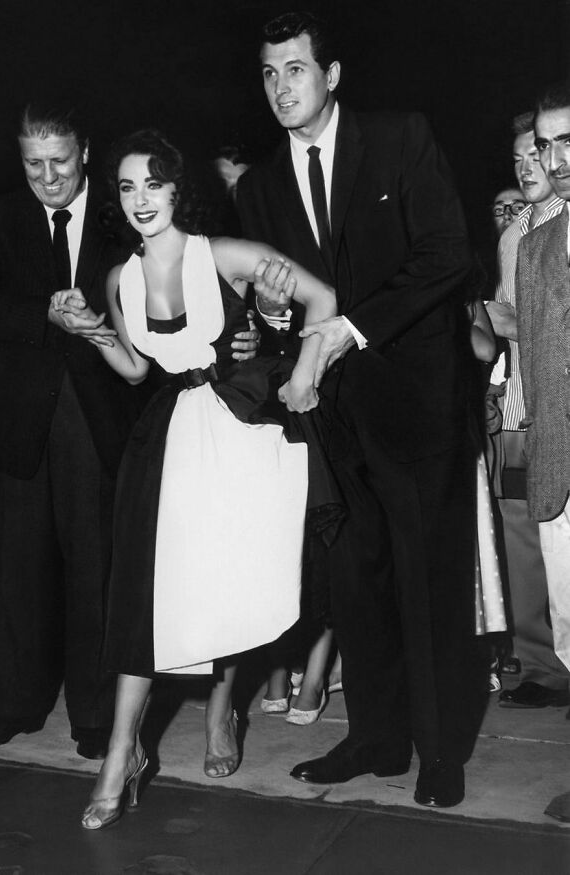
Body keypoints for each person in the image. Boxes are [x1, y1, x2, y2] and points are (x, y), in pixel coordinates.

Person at [0, 103, 259, 759]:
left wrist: (238, 333)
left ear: (84, 151)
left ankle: (95, 716)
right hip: (25, 415)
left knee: (97, 569)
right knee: (18, 570)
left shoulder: (128, 212)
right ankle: (14, 705)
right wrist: (44, 315)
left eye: (60, 160)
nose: (48, 175)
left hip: (107, 411)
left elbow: (186, 282)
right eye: (33, 163)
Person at [236, 11, 487, 807]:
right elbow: (277, 310)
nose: (282, 87)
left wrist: (349, 326)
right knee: (358, 582)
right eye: (270, 73)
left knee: (428, 581)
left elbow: (448, 254)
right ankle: (376, 738)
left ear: (332, 74)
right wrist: (275, 314)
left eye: (296, 70)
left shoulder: (400, 137)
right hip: (332, 417)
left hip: (417, 406)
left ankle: (440, 752)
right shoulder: (263, 185)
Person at [58, 129, 338, 830]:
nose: (142, 198)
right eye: (127, 186)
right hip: (171, 435)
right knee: (147, 596)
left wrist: (296, 366)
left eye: (154, 182)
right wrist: (92, 328)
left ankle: (221, 710)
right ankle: (121, 754)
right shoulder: (119, 278)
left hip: (242, 430)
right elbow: (133, 368)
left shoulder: (226, 256)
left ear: (178, 190)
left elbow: (325, 299)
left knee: (234, 583)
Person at [486, 112, 569, 710]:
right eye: (536, 149)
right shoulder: (526, 236)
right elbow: (524, 329)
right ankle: (544, 660)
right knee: (544, 558)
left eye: (550, 147)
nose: (539, 161)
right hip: (540, 419)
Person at [516, 80, 570, 712]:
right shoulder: (535, 248)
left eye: (567, 141)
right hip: (559, 464)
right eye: (544, 144)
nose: (554, 160)